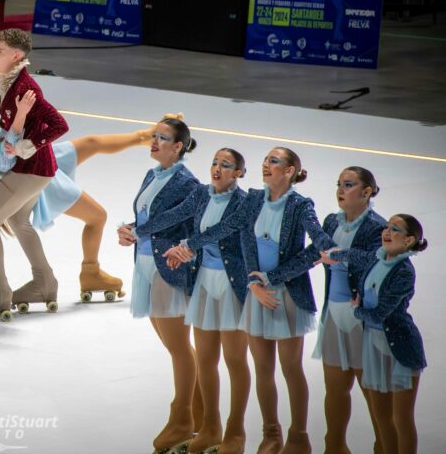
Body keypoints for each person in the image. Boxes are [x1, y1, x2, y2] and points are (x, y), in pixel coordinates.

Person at [166, 147, 337, 454]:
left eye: (273, 161)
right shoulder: (254, 199)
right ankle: (270, 435)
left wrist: (332, 252)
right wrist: (189, 246)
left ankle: (298, 437)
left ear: (289, 171)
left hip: (285, 293)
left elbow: (317, 244)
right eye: (264, 161)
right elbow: (229, 230)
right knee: (263, 369)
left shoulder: (300, 205)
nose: (265, 165)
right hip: (257, 291)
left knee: (290, 368)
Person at [0, 116, 180, 306]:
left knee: (91, 142)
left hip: (45, 154)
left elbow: (2, 124)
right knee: (98, 216)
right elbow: (14, 141)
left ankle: (145, 135)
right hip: (45, 178)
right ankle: (90, 272)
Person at [138, 148, 250, 454]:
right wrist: (136, 231)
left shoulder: (245, 202)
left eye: (226, 165)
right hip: (204, 284)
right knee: (205, 359)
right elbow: (171, 217)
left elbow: (222, 230)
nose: (217, 168)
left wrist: (187, 246)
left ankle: (236, 433)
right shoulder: (201, 194)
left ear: (239, 173)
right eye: (215, 163)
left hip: (232, 288)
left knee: (235, 360)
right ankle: (210, 426)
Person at [0, 29, 68, 322]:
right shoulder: (11, 83)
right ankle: (44, 282)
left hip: (32, 169)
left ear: (16, 56)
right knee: (18, 221)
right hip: (35, 169)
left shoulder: (25, 87)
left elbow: (59, 124)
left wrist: (29, 145)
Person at [116, 117, 202, 454]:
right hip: (146, 265)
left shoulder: (189, 183)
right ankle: (202, 415)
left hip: (169, 270)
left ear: (178, 147)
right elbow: (147, 219)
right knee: (176, 347)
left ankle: (181, 418)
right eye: (153, 137)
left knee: (179, 347)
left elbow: (181, 226)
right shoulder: (153, 174)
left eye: (162, 138)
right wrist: (129, 229)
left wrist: (141, 230)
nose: (153, 143)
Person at [317, 214, 427, 454]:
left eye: (394, 229)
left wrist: (357, 311)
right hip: (373, 347)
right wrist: (331, 255)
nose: (386, 232)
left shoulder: (404, 271)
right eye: (386, 227)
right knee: (382, 417)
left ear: (408, 241)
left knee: (401, 419)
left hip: (399, 348)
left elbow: (379, 314)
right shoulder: (376, 259)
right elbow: (352, 254)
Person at [311, 167, 386, 454]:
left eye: (349, 185)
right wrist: (272, 277)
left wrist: (339, 255)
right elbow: (314, 253)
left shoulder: (377, 227)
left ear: (366, 192)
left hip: (360, 319)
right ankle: (334, 446)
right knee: (335, 390)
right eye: (339, 184)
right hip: (333, 315)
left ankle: (384, 445)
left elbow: (372, 260)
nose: (341, 190)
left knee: (372, 394)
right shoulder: (332, 221)